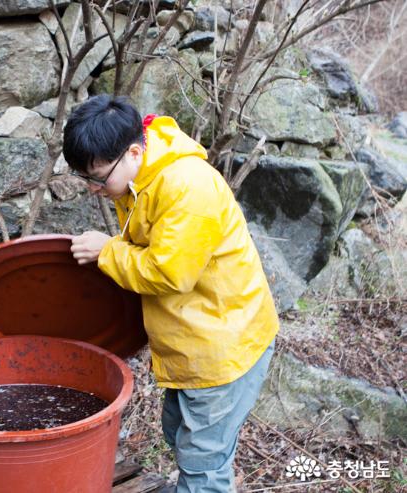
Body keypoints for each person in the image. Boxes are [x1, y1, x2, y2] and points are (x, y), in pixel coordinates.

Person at [64, 94, 279, 493]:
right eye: (86, 179)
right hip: (191, 336)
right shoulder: (137, 176)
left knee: (202, 462)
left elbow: (169, 271)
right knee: (181, 434)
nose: (94, 189)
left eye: (97, 177)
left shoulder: (187, 188)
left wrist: (108, 251)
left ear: (132, 150)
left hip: (222, 344)